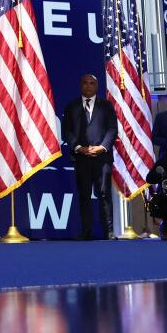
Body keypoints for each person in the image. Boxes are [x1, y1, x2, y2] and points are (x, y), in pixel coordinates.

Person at [60, 73, 117, 240]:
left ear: (97, 86)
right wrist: (79, 148)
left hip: (102, 158)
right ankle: (86, 232)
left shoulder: (106, 106)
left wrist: (102, 147)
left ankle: (109, 231)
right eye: (85, 83)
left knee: (105, 194)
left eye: (92, 83)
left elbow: (112, 129)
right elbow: (67, 131)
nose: (88, 86)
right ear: (80, 85)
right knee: (84, 195)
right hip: (81, 158)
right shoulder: (72, 106)